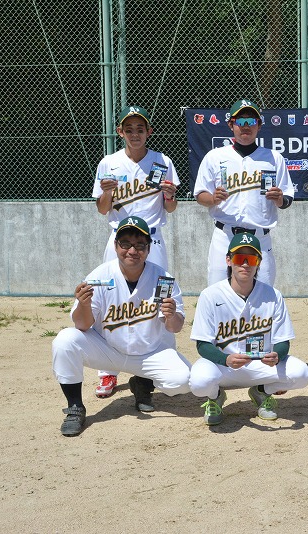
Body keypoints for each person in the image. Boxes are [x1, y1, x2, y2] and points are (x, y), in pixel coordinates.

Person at [51, 216, 192, 436]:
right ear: (116, 246)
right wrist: (84, 305)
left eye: (140, 245)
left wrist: (172, 315)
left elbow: (174, 328)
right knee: (65, 340)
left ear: (148, 248)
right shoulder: (100, 276)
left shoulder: (162, 278)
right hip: (108, 350)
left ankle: (142, 383)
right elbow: (82, 324)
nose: (132, 251)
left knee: (184, 381)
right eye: (125, 244)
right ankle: (75, 407)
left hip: (148, 354)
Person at [91, 105, 180, 399]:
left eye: (140, 129)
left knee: (160, 298)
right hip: (119, 239)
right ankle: (107, 370)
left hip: (151, 240)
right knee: (109, 298)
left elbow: (170, 207)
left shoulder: (162, 161)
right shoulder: (109, 163)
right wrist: (107, 192)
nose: (134, 134)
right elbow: (102, 209)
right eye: (128, 129)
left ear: (148, 131)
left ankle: (159, 362)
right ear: (120, 132)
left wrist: (170, 194)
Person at [189, 233, 308, 425]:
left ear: (259, 262)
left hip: (261, 365)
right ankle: (215, 396)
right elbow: (203, 345)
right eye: (239, 258)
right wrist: (225, 359)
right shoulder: (210, 295)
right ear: (228, 260)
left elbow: (283, 340)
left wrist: (277, 355)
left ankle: (262, 391)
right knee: (198, 382)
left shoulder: (273, 295)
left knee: (301, 374)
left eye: (251, 259)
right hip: (223, 366)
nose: (245, 264)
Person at [193, 99, 294, 287]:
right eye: (240, 121)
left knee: (263, 294)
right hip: (225, 236)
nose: (246, 126)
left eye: (251, 121)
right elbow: (200, 195)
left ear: (259, 125)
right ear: (231, 125)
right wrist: (213, 199)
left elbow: (288, 197)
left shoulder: (273, 158)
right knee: (218, 292)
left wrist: (280, 199)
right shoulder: (215, 156)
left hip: (260, 238)